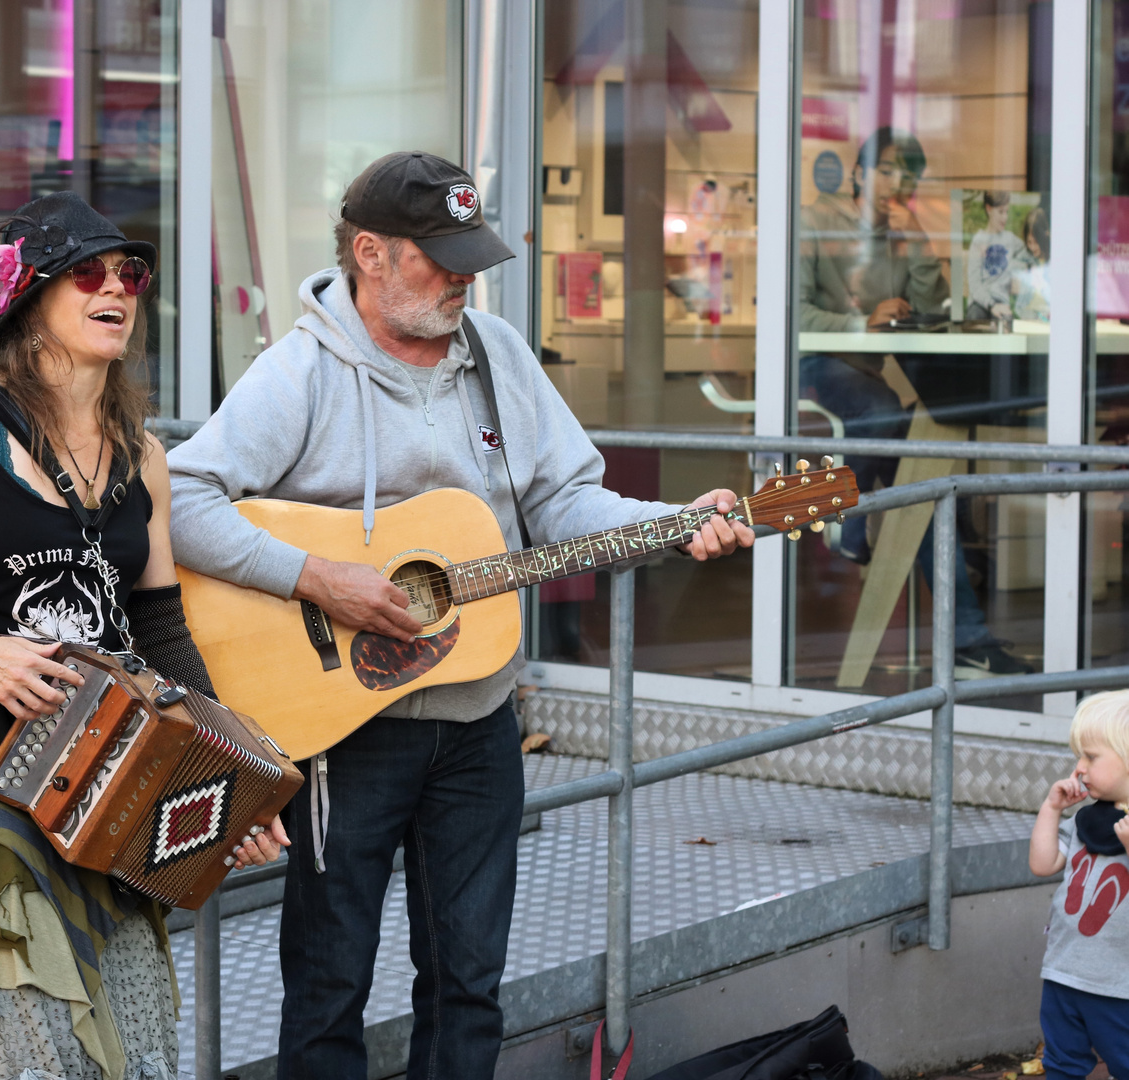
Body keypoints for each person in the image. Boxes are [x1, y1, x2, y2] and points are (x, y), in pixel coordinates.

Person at [167, 151, 754, 1080]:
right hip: (346, 733)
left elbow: (566, 503)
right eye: (440, 258)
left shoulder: (498, 356)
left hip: (480, 725)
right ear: (369, 253)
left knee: (469, 983)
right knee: (327, 988)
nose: (464, 278)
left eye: (471, 255)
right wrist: (319, 577)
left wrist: (675, 525)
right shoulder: (302, 373)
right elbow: (182, 496)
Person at [0, 191, 283, 1080]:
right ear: (30, 300)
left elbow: (156, 624)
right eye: (88, 272)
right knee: (33, 1050)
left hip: (102, 776)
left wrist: (233, 778)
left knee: (133, 1046)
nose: (117, 287)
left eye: (131, 274)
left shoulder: (141, 450)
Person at [797, 127, 1031, 678]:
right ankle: (853, 526)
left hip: (871, 378)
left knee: (916, 488)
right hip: (815, 368)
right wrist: (862, 320)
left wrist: (921, 241)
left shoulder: (902, 234)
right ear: (859, 173)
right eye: (886, 172)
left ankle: (863, 536)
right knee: (890, 422)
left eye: (906, 176)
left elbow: (934, 309)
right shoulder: (815, 221)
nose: (896, 184)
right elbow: (793, 314)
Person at [1027, 689, 1129, 1080]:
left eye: (1091, 756)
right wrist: (1051, 809)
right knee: (1061, 1063)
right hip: (1063, 972)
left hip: (1119, 986)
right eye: (1079, 756)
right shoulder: (1088, 820)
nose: (1079, 767)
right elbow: (1043, 863)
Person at [966, 191, 1025, 321]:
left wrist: (1015, 267)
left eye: (1007, 212)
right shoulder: (979, 240)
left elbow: (1026, 252)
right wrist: (991, 305)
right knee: (974, 317)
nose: (1005, 218)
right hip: (980, 303)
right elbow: (974, 285)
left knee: (1007, 322)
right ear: (989, 209)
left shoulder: (1009, 239)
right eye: (1000, 212)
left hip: (1002, 302)